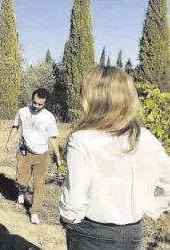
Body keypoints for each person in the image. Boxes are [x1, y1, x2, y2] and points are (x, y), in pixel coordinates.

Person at [59, 65, 170, 250]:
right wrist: (149, 205)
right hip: (132, 233)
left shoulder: (83, 139)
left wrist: (68, 218)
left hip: (91, 233)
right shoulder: (145, 137)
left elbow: (75, 196)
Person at [5, 88, 62, 225]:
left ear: (45, 103)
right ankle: (21, 191)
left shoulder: (49, 117)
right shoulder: (23, 112)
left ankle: (35, 211)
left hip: (42, 155)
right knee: (21, 181)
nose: (36, 106)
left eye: (40, 104)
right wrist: (9, 142)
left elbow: (53, 138)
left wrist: (58, 158)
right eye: (34, 103)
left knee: (39, 184)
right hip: (25, 152)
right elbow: (15, 126)